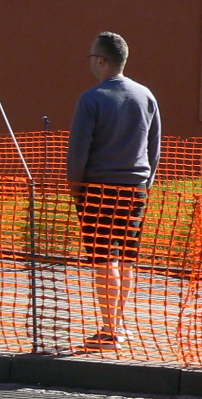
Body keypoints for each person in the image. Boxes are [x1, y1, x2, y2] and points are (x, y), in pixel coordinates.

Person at [66, 31, 161, 350]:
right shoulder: (146, 95)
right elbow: (154, 148)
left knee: (105, 259)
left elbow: (78, 153)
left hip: (99, 189)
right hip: (136, 188)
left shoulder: (91, 99)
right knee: (126, 258)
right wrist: (145, 182)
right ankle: (119, 323)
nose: (90, 62)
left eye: (91, 57)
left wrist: (77, 190)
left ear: (101, 61)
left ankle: (109, 331)